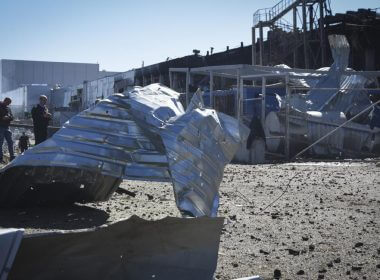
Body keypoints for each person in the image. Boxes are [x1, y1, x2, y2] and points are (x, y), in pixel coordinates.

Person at [0, 97, 15, 163]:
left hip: (7, 127)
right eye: (8, 103)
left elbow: (12, 117)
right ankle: (0, 158)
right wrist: (2, 118)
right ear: (5, 101)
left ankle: (12, 156)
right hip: (1, 127)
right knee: (1, 142)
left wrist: (8, 117)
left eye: (9, 103)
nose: (9, 104)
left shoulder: (8, 108)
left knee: (10, 142)